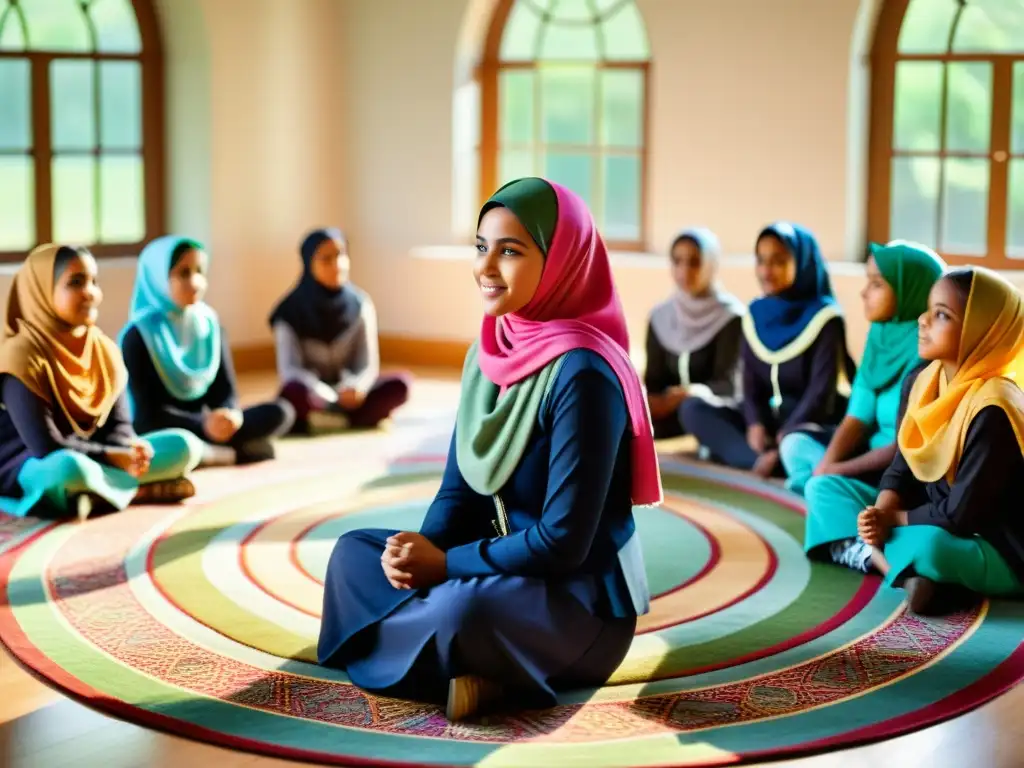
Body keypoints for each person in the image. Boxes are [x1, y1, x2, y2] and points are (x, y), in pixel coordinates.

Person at [317, 177, 661, 722]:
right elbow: (458, 492)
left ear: (561, 259)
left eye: (510, 251)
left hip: (576, 603)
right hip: (495, 567)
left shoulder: (585, 373)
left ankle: (452, 653)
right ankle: (476, 669)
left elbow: (562, 543)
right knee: (355, 556)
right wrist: (419, 554)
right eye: (481, 247)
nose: (485, 267)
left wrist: (446, 566)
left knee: (466, 608)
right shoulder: (491, 352)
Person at [825, 269, 1024, 615]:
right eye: (928, 309)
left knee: (931, 546)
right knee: (825, 489)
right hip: (931, 519)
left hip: (996, 545)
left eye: (942, 315)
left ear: (984, 330)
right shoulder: (923, 381)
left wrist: (893, 521)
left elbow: (961, 515)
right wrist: (881, 510)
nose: (923, 321)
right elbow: (901, 465)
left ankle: (889, 564)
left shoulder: (995, 407)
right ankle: (907, 573)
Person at [0, 245, 203, 519]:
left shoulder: (103, 350)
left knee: (184, 446)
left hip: (96, 457)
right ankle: (133, 491)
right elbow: (46, 446)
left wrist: (130, 448)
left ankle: (94, 496)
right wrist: (111, 455)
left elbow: (119, 429)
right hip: (30, 463)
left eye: (94, 281)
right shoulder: (20, 354)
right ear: (42, 292)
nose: (91, 293)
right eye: (76, 282)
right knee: (69, 469)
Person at [683, 222, 855, 477]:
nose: (765, 270)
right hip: (767, 423)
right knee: (693, 409)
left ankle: (773, 458)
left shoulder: (825, 318)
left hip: (808, 425)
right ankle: (763, 460)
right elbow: (750, 383)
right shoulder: (755, 314)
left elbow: (820, 394)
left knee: (817, 441)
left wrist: (788, 433)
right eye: (760, 260)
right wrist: (754, 424)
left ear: (802, 262)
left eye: (778, 260)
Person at [781, 241, 945, 494]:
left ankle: (822, 489)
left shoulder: (931, 350)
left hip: (902, 469)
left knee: (830, 484)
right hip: (867, 453)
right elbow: (857, 418)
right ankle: (821, 486)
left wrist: (838, 471)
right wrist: (826, 466)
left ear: (909, 289)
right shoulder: (881, 336)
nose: (864, 293)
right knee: (795, 443)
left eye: (877, 284)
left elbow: (904, 450)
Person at [120, 236, 294, 466]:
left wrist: (229, 415)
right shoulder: (138, 335)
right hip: (167, 428)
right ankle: (232, 454)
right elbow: (147, 416)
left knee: (282, 411)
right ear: (158, 277)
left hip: (209, 426)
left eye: (199, 271)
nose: (195, 282)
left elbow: (225, 391)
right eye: (183, 273)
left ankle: (213, 451)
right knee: (174, 444)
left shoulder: (209, 324)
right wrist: (201, 424)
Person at [271, 228, 410, 434]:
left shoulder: (361, 304)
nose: (337, 265)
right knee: (291, 394)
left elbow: (367, 363)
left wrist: (358, 387)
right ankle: (353, 420)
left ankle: (328, 421)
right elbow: (290, 371)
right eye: (326, 259)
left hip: (351, 394)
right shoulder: (288, 312)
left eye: (341, 255)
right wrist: (330, 395)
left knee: (401, 384)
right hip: (315, 394)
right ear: (309, 263)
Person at [644, 227, 744, 440]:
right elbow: (654, 382)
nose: (684, 271)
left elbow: (727, 386)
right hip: (668, 415)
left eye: (694, 262)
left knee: (693, 410)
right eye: (677, 261)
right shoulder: (660, 317)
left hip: (711, 412)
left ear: (710, 265)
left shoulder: (731, 317)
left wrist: (686, 394)